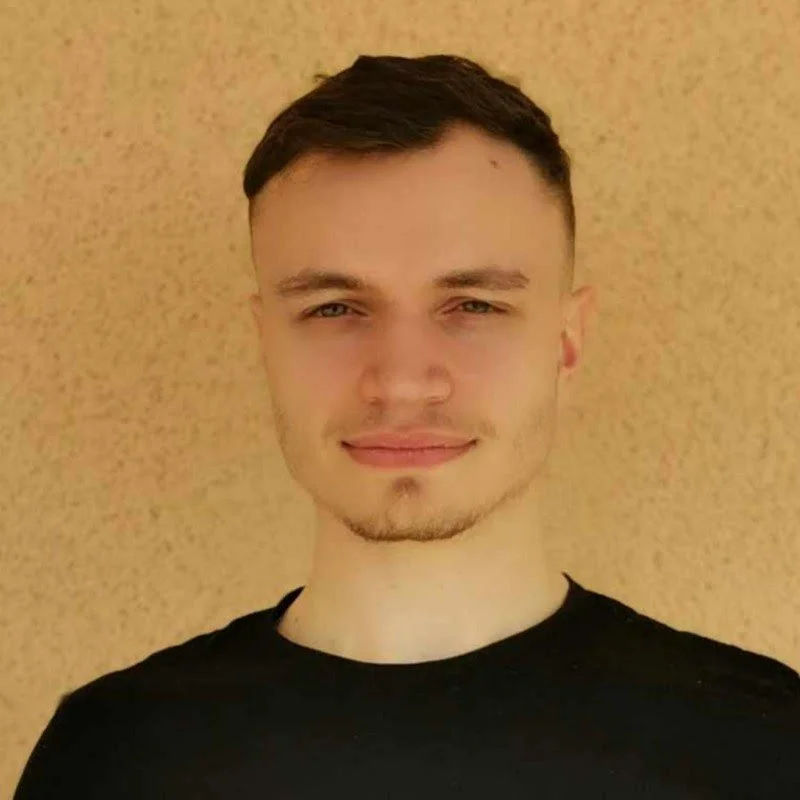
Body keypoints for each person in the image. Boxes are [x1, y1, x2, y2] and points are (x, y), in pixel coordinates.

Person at [14, 53, 799, 799]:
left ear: (567, 341)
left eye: (474, 305)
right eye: (334, 308)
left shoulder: (760, 745)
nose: (399, 380)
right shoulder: (115, 756)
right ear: (265, 342)